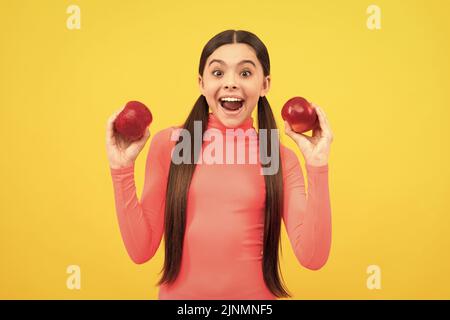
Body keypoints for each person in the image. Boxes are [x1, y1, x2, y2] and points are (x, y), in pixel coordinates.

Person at [105, 29, 334, 300]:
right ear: (201, 83)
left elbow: (313, 257)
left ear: (265, 85)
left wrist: (317, 165)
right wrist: (121, 170)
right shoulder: (173, 144)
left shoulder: (278, 156)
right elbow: (140, 250)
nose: (231, 83)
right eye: (218, 73)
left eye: (246, 73)